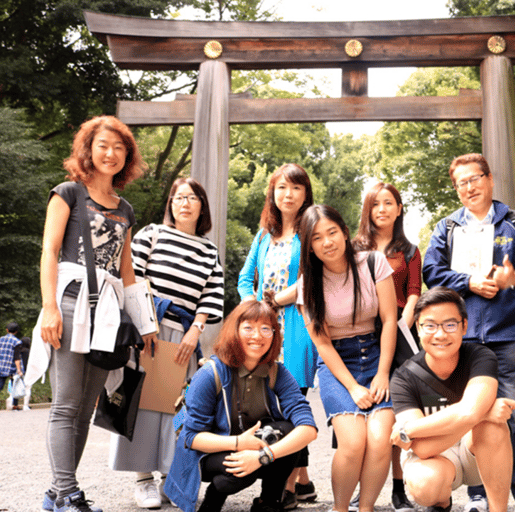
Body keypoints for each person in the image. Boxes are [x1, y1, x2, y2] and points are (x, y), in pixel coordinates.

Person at [27, 115, 149, 512]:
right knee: (65, 403)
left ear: (127, 155)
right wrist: (48, 308)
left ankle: (58, 493)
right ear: (88, 150)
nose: (111, 153)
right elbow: (48, 251)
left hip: (109, 312)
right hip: (69, 299)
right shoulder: (68, 193)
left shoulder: (126, 209)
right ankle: (67, 494)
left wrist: (144, 326)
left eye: (119, 147)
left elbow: (127, 271)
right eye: (103, 145)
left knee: (87, 406)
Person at [422, 153, 515, 512]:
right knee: (468, 414)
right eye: (461, 182)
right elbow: (432, 271)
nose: (469, 187)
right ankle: (476, 493)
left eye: (474, 178)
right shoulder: (447, 227)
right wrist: (469, 282)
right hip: (462, 338)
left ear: (490, 179)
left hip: (506, 335)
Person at [110, 177, 225, 510]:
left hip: (186, 336)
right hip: (150, 331)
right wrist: (146, 326)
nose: (184, 203)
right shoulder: (152, 234)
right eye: (178, 197)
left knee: (179, 407)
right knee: (144, 404)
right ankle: (143, 479)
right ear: (170, 204)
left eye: (192, 197)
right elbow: (133, 278)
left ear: (202, 205)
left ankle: (168, 478)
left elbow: (211, 293)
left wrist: (197, 329)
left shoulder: (209, 250)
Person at [163, 300, 318, 512]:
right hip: (209, 454)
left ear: (274, 334)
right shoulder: (210, 374)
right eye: (248, 328)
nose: (257, 336)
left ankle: (269, 502)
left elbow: (308, 428)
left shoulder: (277, 373)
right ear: (234, 332)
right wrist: (238, 442)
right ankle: (213, 499)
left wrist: (264, 456)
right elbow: (191, 438)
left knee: (288, 431)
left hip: (257, 449)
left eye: (265, 328)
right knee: (241, 472)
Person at [296, 204, 397, 512]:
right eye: (316, 238)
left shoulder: (373, 263)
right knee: (353, 443)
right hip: (337, 364)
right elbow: (322, 343)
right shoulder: (307, 285)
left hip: (379, 355)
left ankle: (364, 508)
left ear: (344, 232)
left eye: (332, 232)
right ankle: (340, 508)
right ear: (309, 247)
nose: (327, 242)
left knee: (380, 440)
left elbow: (390, 319)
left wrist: (382, 374)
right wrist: (353, 386)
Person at [390, 287, 515, 512]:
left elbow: (469, 413)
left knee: (493, 427)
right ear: (418, 328)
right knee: (425, 484)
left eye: (450, 325)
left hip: (476, 452)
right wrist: (482, 412)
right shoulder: (404, 377)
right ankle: (440, 501)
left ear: (464, 326)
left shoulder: (481, 356)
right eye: (430, 325)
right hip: (434, 458)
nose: (440, 334)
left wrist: (409, 430)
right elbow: (422, 449)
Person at [237, 163, 317, 509]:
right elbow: (244, 278)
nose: (289, 194)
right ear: (273, 192)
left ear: (305, 194)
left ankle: (285, 487)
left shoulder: (312, 230)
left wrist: (274, 301)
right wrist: (252, 307)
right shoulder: (263, 235)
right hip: (262, 331)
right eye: (283, 187)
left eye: (296, 188)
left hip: (296, 328)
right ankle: (303, 481)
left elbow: (312, 279)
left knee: (291, 404)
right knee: (269, 404)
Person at [352, 182, 421, 512]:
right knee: (360, 411)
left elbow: (414, 291)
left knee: (395, 412)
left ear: (399, 208)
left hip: (400, 334)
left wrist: (402, 322)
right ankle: (357, 486)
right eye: (375, 203)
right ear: (368, 209)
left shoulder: (408, 250)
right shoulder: (354, 248)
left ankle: (398, 488)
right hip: (361, 335)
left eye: (388, 203)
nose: (382, 209)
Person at [0, 322, 23, 411]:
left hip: (1, 365)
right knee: (15, 384)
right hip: (12, 367)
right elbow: (17, 357)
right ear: (16, 331)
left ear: (7, 330)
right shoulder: (17, 341)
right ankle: (15, 405)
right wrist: (19, 369)